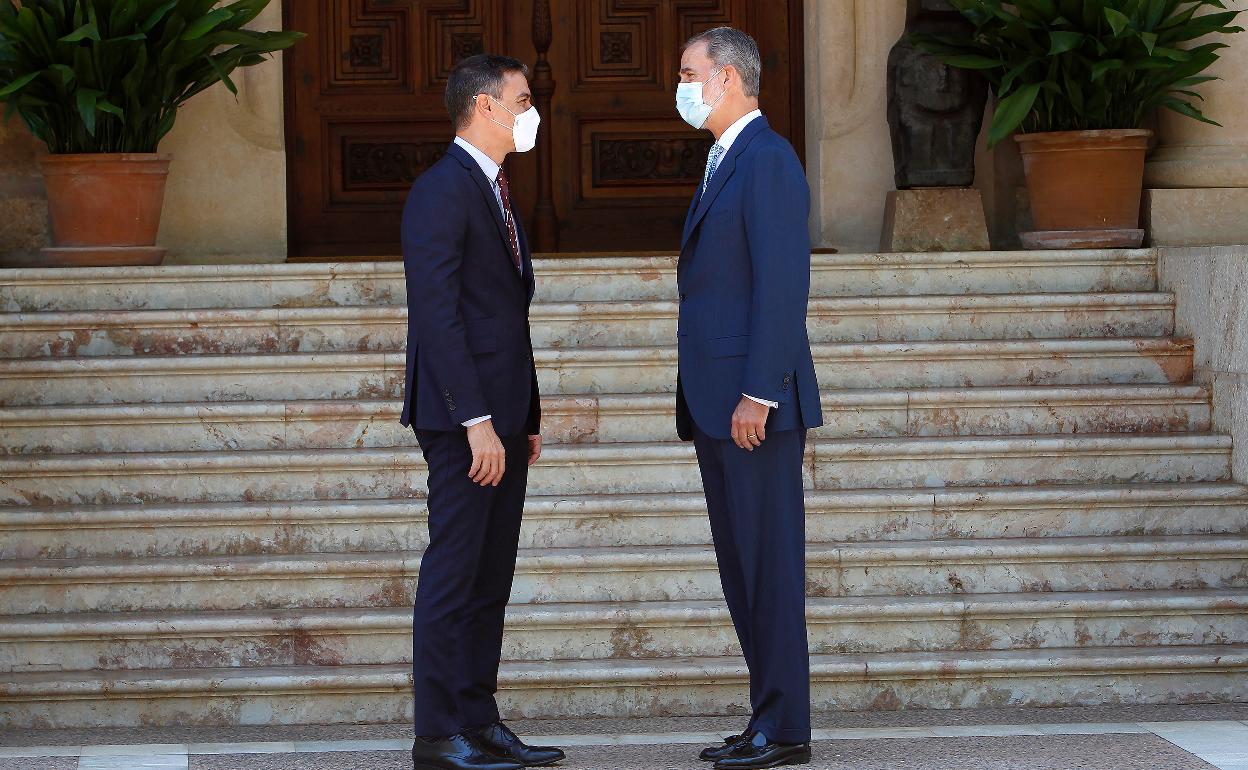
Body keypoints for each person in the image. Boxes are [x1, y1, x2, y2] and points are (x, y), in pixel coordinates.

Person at [400, 52, 565, 770]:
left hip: (503, 419)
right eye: (523, 100)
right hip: (463, 422)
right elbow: (438, 316)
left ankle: (478, 717)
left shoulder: (494, 187)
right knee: (455, 572)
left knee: (490, 577)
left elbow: (504, 316)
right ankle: (438, 733)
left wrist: (524, 416)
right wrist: (474, 421)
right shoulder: (442, 189)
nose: (532, 113)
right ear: (485, 106)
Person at [673, 27, 824, 770]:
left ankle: (785, 727)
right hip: (718, 404)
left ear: (727, 78)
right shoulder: (724, 159)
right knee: (743, 568)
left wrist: (759, 392)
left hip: (752, 406)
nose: (681, 86)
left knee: (769, 568)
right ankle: (768, 716)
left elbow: (783, 286)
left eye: (688, 73)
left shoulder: (767, 159)